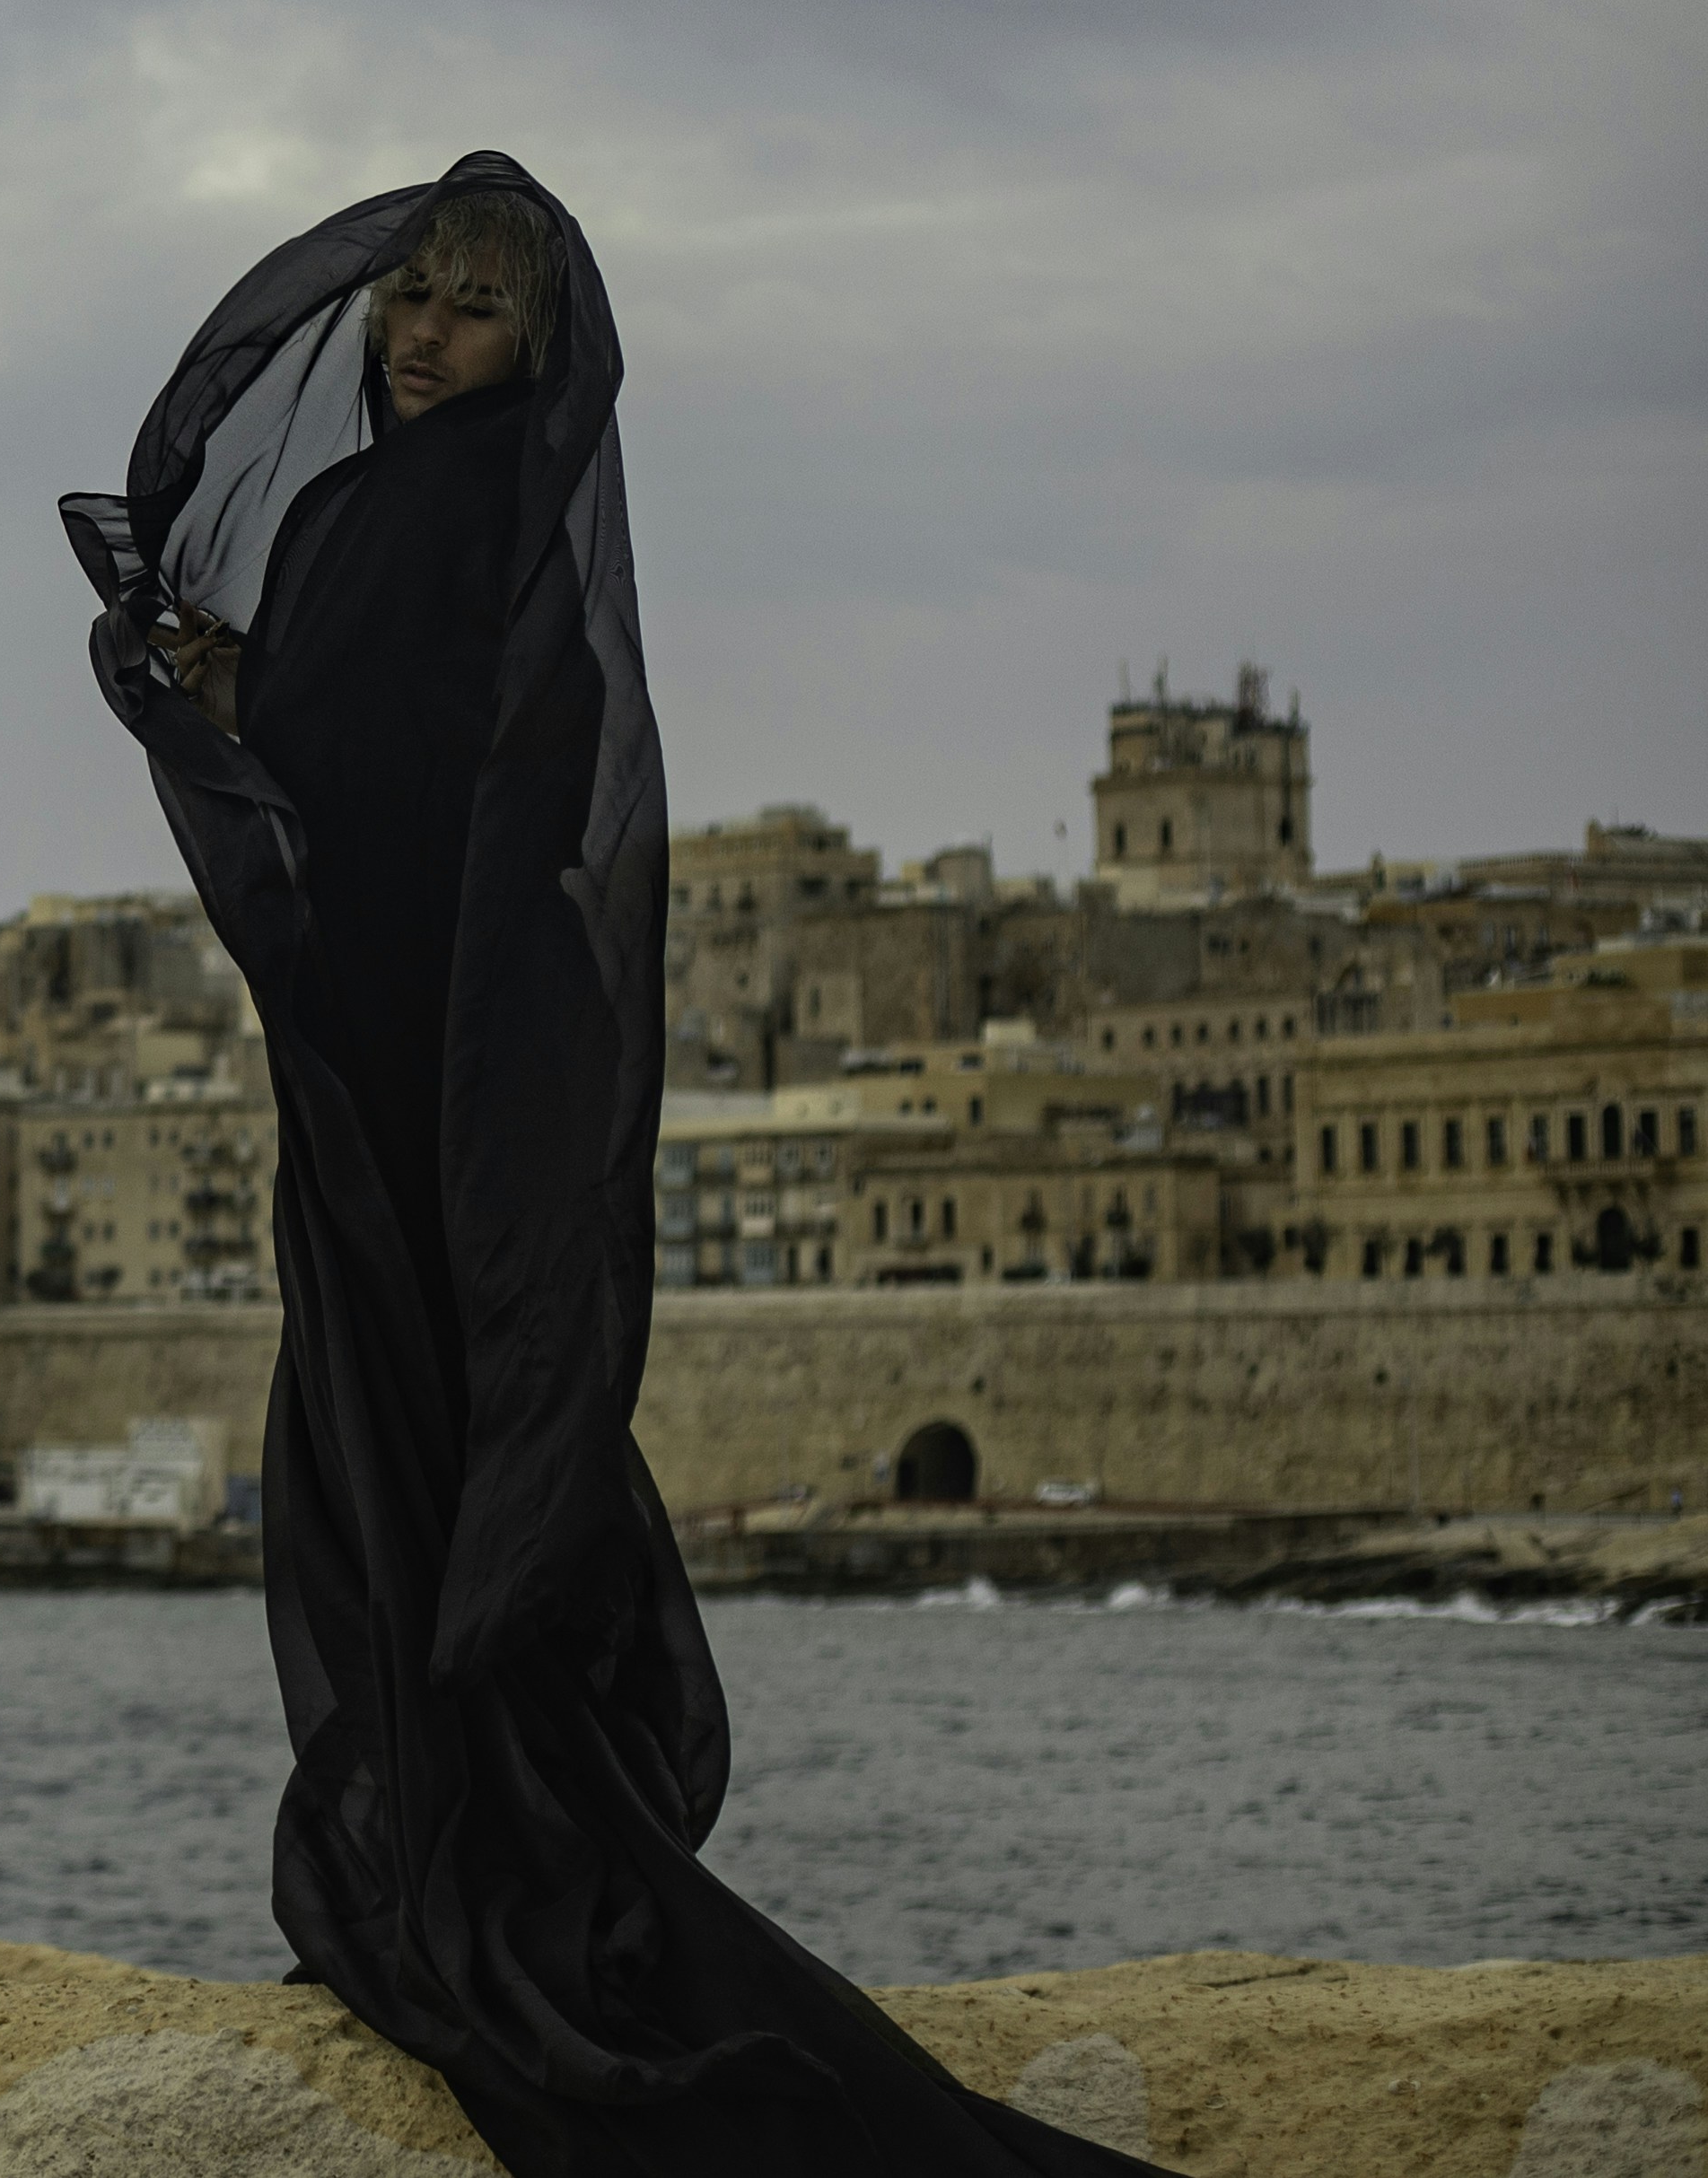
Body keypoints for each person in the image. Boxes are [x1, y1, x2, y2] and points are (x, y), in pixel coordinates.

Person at [62, 152, 1143, 2178]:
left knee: (403, 1451)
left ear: (533, 345)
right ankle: (479, 1854)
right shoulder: (482, 515)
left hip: (420, 1068)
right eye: (405, 295)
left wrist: (212, 692)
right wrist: (228, 692)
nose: (416, 333)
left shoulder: (446, 505)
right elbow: (400, 757)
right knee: (438, 1443)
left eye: (467, 309)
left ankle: (458, 1879)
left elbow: (382, 773)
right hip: (441, 1059)